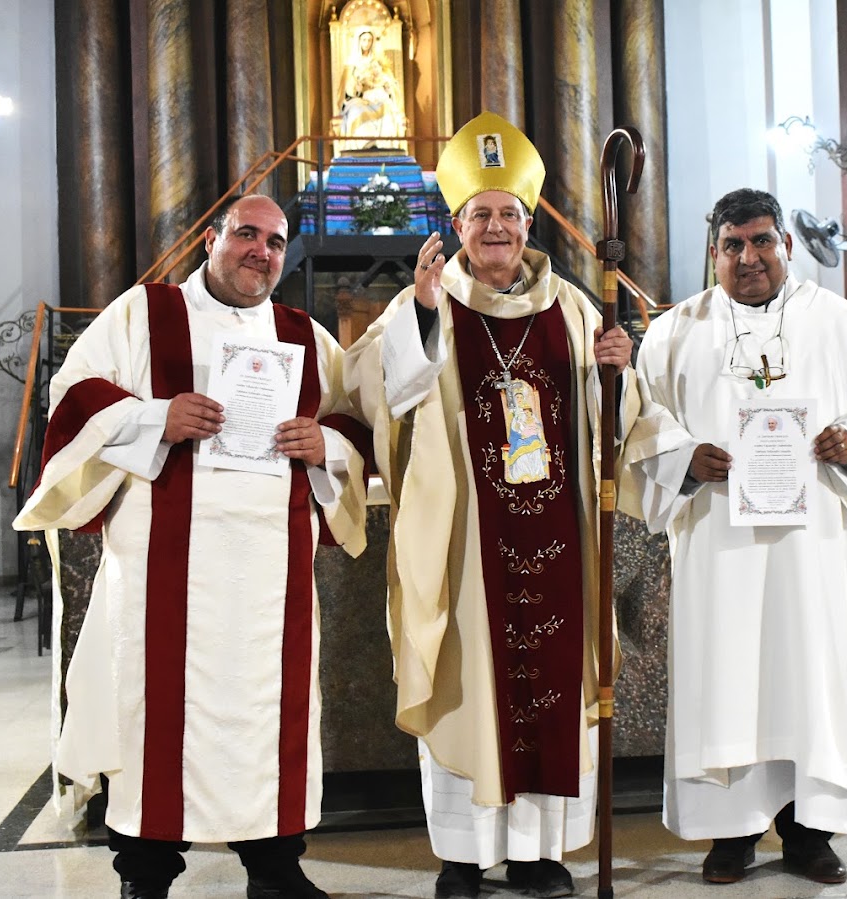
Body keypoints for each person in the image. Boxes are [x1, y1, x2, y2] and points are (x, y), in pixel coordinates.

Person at [14, 194, 367, 899]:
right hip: (162, 568)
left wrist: (322, 441)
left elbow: (358, 421)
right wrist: (154, 416)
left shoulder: (304, 333)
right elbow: (73, 398)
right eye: (245, 234)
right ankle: (145, 875)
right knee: (154, 717)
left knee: (272, 716)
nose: (259, 251)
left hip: (271, 575)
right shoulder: (143, 314)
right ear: (210, 239)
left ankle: (274, 868)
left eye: (274, 241)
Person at [342, 112, 641, 899]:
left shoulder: (575, 311)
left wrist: (617, 370)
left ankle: (541, 854)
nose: (496, 227)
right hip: (465, 546)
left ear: (529, 220)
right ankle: (464, 856)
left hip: (558, 538)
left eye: (508, 212)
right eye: (480, 214)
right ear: (456, 224)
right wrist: (420, 315)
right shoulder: (425, 305)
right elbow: (378, 389)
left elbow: (615, 421)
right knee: (466, 685)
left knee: (547, 681)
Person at [619, 188, 847, 887]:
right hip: (719, 547)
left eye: (761, 241)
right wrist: (683, 458)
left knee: (812, 678)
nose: (748, 257)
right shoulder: (675, 332)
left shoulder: (838, 324)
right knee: (725, 676)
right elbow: (643, 423)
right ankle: (729, 837)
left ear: (785, 244)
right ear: (713, 253)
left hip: (815, 546)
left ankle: (808, 832)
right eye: (732, 245)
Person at [339, 28, 406, 147]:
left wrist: (387, 87)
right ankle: (362, 146)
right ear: (359, 41)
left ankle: (384, 146)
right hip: (360, 99)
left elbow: (390, 81)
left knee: (388, 108)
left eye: (369, 40)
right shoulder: (352, 63)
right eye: (364, 40)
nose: (366, 43)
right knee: (356, 110)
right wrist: (358, 88)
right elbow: (347, 89)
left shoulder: (378, 62)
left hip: (379, 98)